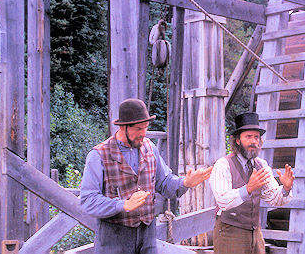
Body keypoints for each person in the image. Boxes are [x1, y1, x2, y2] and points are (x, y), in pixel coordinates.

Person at [80, 98, 213, 254]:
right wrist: (122, 205)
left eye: (145, 128)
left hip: (147, 235)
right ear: (123, 127)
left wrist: (185, 183)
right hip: (114, 237)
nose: (143, 133)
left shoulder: (150, 148)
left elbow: (165, 183)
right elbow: (87, 200)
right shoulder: (98, 155)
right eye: (138, 129)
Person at [209, 112, 295, 254]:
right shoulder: (223, 165)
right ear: (237, 140)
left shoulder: (261, 165)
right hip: (229, 232)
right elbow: (223, 200)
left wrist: (285, 189)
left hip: (255, 232)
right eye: (248, 137)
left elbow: (273, 198)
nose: (253, 141)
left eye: (256, 137)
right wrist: (248, 188)